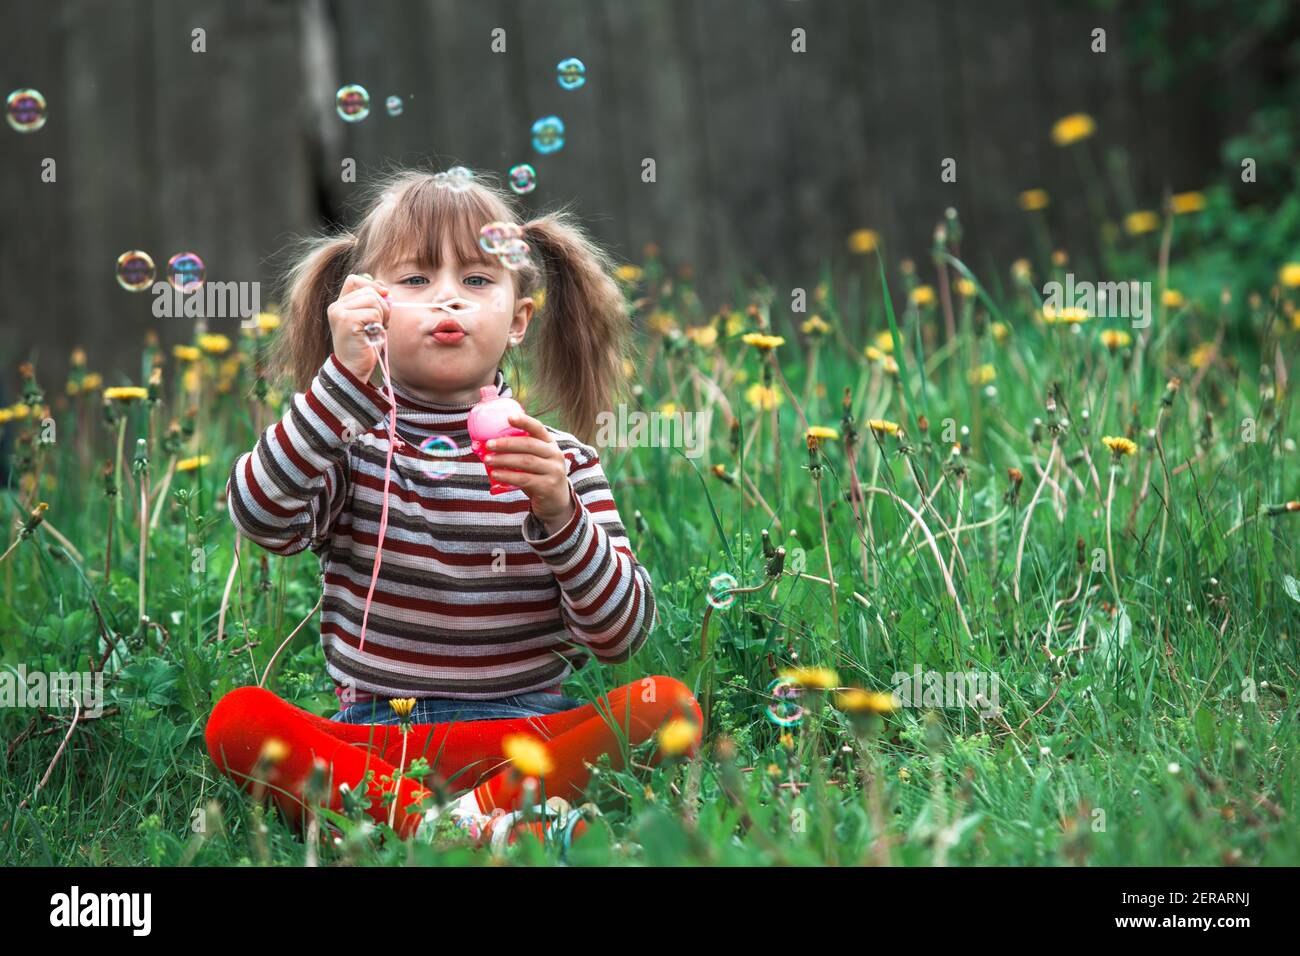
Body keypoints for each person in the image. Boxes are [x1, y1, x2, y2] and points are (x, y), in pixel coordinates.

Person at [205, 167, 702, 850]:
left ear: (519, 318)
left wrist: (560, 515)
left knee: (666, 704)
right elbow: (258, 514)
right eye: (415, 280)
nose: (447, 299)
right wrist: (337, 390)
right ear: (367, 307)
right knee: (238, 720)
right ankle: (480, 831)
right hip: (381, 741)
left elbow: (620, 637)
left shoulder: (558, 463)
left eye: (476, 280)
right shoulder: (346, 446)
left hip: (527, 739)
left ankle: (423, 832)